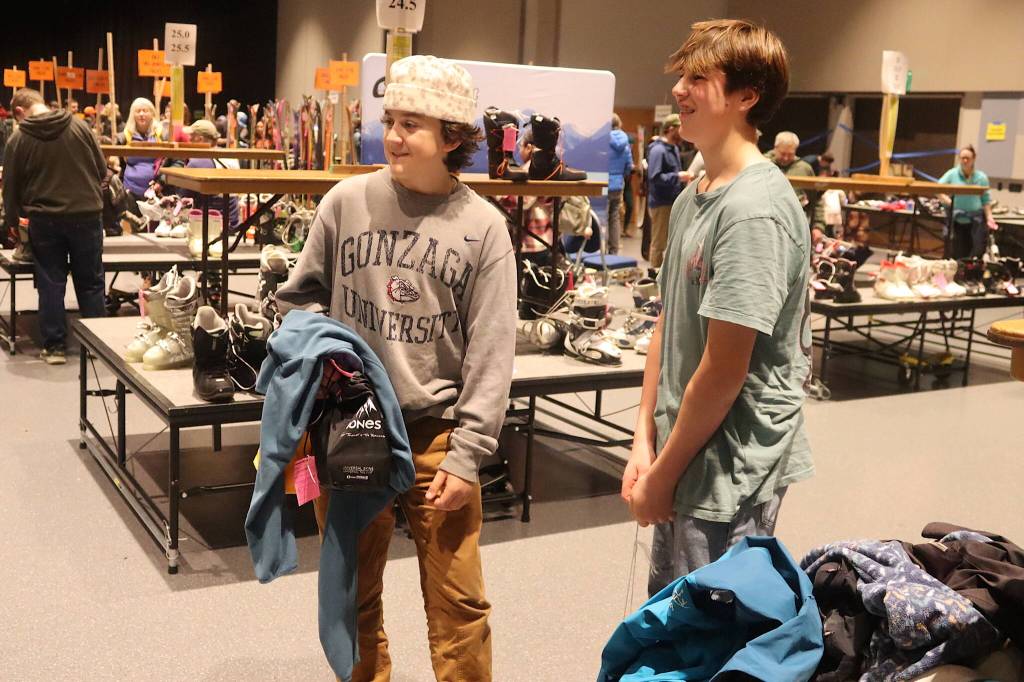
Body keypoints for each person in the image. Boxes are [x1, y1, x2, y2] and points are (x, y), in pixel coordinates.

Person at [274, 55, 516, 681]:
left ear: (453, 136)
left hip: (439, 434)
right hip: (350, 426)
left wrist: (468, 454)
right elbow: (298, 298)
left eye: (412, 124)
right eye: (390, 121)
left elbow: (492, 351)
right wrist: (321, 359)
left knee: (460, 604)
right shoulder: (346, 201)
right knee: (352, 592)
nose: (394, 137)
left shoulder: (484, 228)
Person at [621, 20, 814, 595]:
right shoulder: (696, 193)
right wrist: (643, 439)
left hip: (729, 466)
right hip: (682, 451)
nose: (679, 89)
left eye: (698, 78)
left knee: (710, 630)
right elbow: (667, 322)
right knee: (670, 618)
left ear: (746, 96)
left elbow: (725, 370)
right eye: (682, 75)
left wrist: (664, 473)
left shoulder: (753, 210)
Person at [2, 88, 107, 365]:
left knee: (51, 282)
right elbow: (101, 170)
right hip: (87, 214)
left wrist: (11, 223)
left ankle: (55, 348)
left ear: (20, 112)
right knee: (91, 282)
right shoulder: (80, 126)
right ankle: (99, 346)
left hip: (45, 219)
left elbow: (10, 187)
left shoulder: (18, 139)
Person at [161, 119, 240, 228]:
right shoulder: (229, 157)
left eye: (191, 136)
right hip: (233, 222)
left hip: (211, 225)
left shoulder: (198, 162)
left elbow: (183, 196)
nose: (188, 140)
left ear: (200, 139)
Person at [938, 145, 997, 259]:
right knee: (955, 251)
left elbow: (986, 200)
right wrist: (947, 201)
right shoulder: (952, 173)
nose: (965, 161)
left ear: (973, 159)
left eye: (968, 158)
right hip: (957, 221)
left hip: (976, 221)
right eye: (962, 158)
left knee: (975, 252)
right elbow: (937, 188)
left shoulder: (982, 177)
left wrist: (990, 217)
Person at [646, 113, 685, 268]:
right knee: (658, 244)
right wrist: (678, 177)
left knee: (669, 243)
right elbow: (655, 177)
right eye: (680, 127)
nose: (683, 130)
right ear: (671, 129)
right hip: (661, 203)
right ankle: (653, 278)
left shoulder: (673, 148)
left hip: (672, 202)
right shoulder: (658, 151)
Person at [117, 98, 163, 217]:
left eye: (145, 111)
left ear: (152, 113)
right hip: (130, 191)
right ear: (133, 115)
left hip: (157, 191)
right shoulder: (123, 137)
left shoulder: (162, 134)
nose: (142, 114)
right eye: (138, 111)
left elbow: (170, 161)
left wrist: (161, 181)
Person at [608, 114, 634, 254]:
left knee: (601, 216)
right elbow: (629, 166)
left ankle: (600, 249)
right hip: (618, 184)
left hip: (602, 183)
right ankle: (614, 250)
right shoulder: (626, 143)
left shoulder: (603, 140)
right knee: (615, 217)